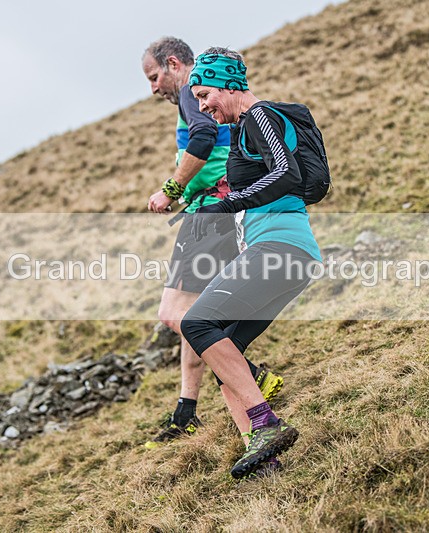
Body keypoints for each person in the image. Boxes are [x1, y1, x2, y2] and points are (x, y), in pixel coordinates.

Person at [182, 47, 323, 478]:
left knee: (195, 324)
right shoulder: (249, 127)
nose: (204, 106)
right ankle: (265, 460)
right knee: (227, 350)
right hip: (286, 253)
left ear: (228, 84)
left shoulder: (259, 115)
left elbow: (286, 176)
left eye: (206, 95)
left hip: (281, 249)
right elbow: (274, 178)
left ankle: (265, 424)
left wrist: (227, 205)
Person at [140, 37, 283, 449]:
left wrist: (170, 188)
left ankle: (251, 376)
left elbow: (202, 136)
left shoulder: (190, 92)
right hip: (218, 210)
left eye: (154, 77)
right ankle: (187, 409)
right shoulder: (199, 95)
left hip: (209, 213)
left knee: (175, 314)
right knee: (198, 316)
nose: (153, 88)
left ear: (172, 64)